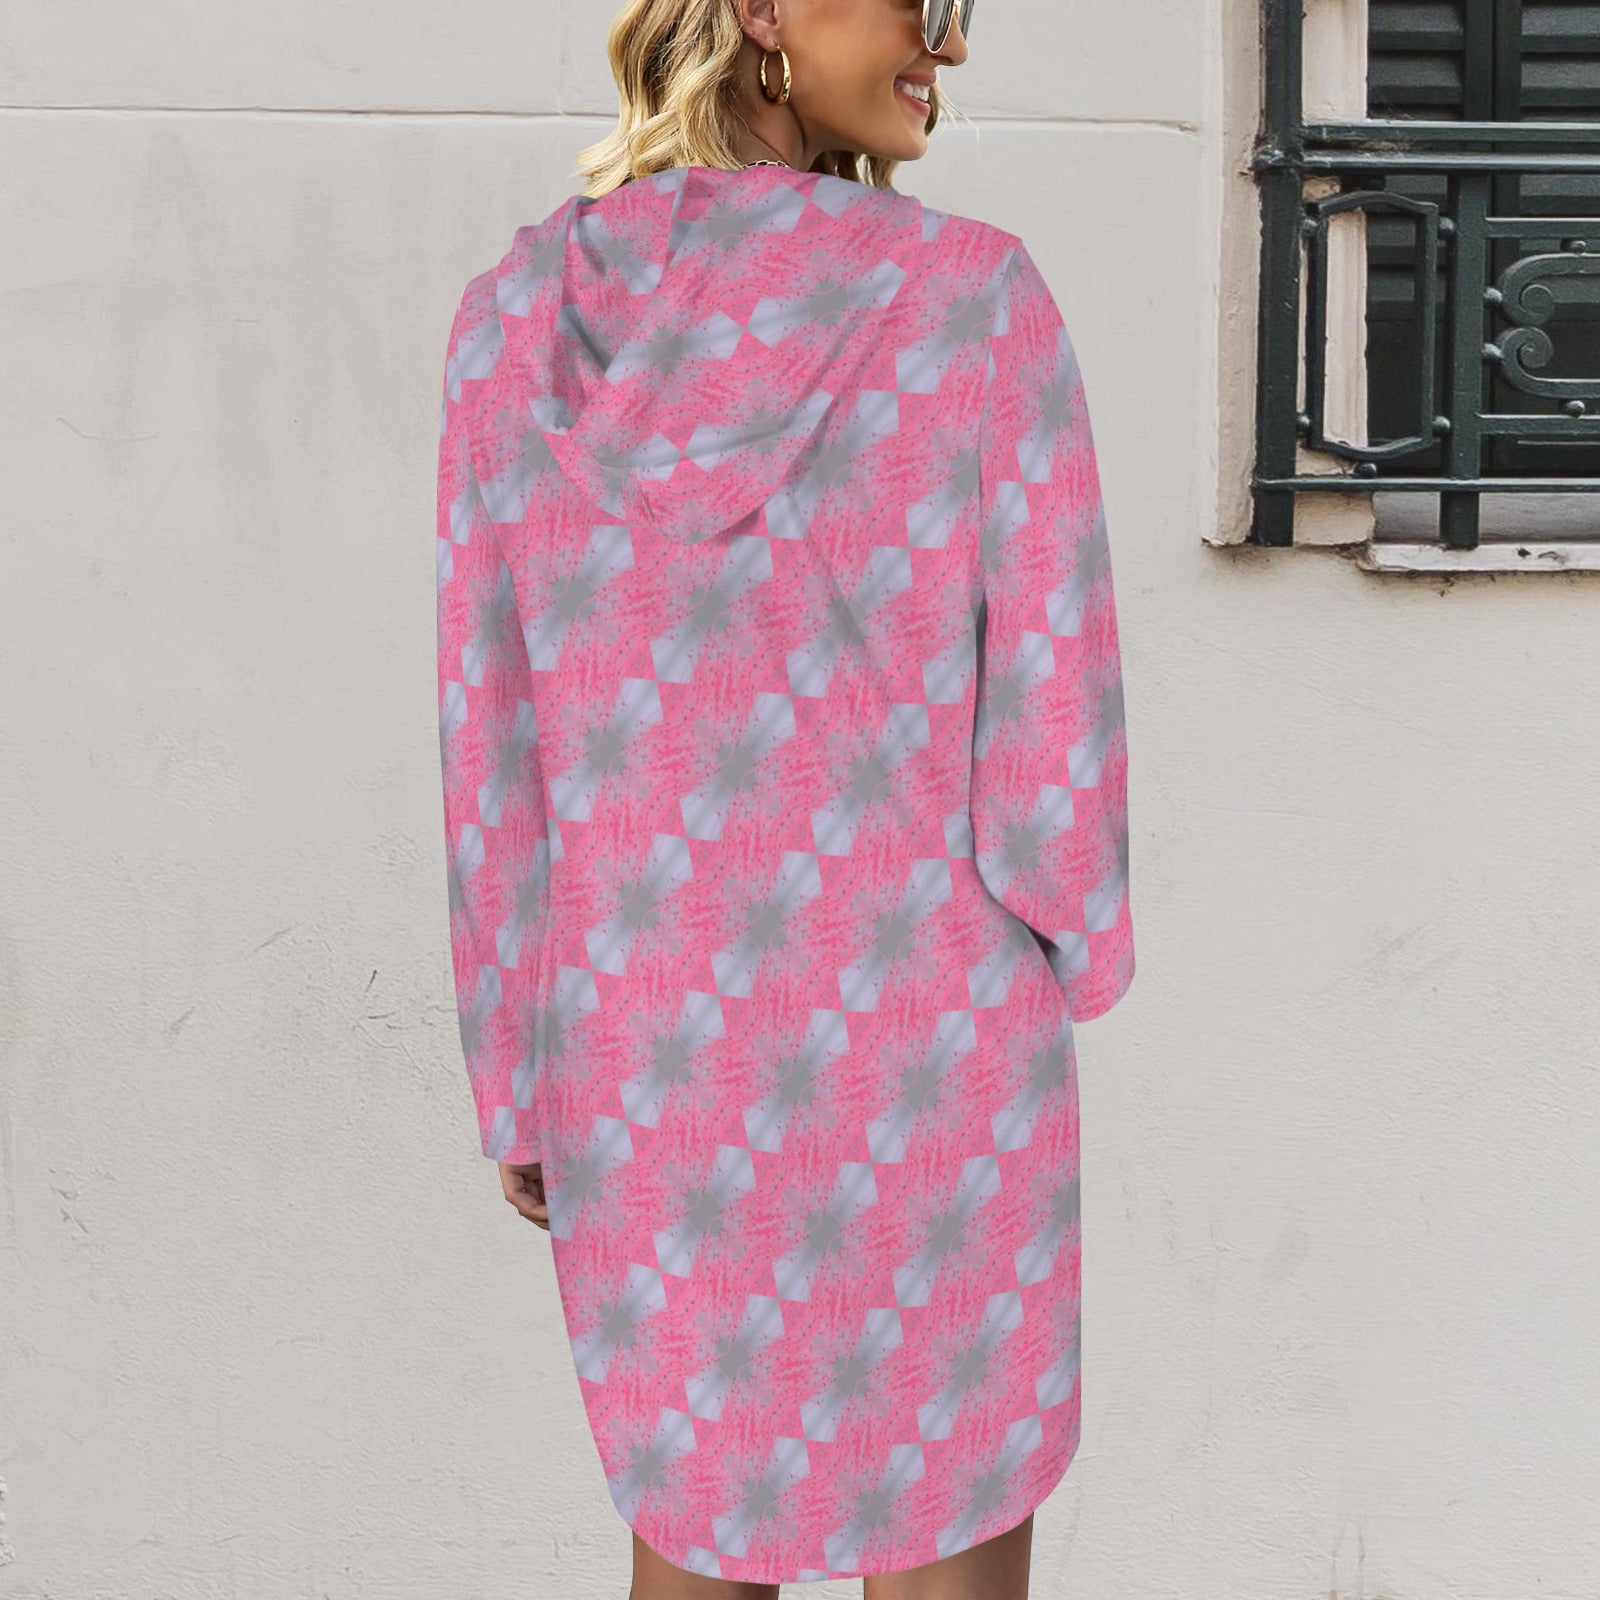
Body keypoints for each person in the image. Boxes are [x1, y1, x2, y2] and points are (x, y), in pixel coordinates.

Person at [433, 0, 1136, 1593]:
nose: (950, 45)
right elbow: (1056, 737)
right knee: (950, 1527)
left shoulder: (512, 326)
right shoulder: (975, 304)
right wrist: (1075, 945)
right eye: (923, 3)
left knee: (696, 1532)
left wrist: (518, 1068)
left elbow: (493, 733)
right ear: (759, 6)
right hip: (933, 1065)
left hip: (650, 1072)